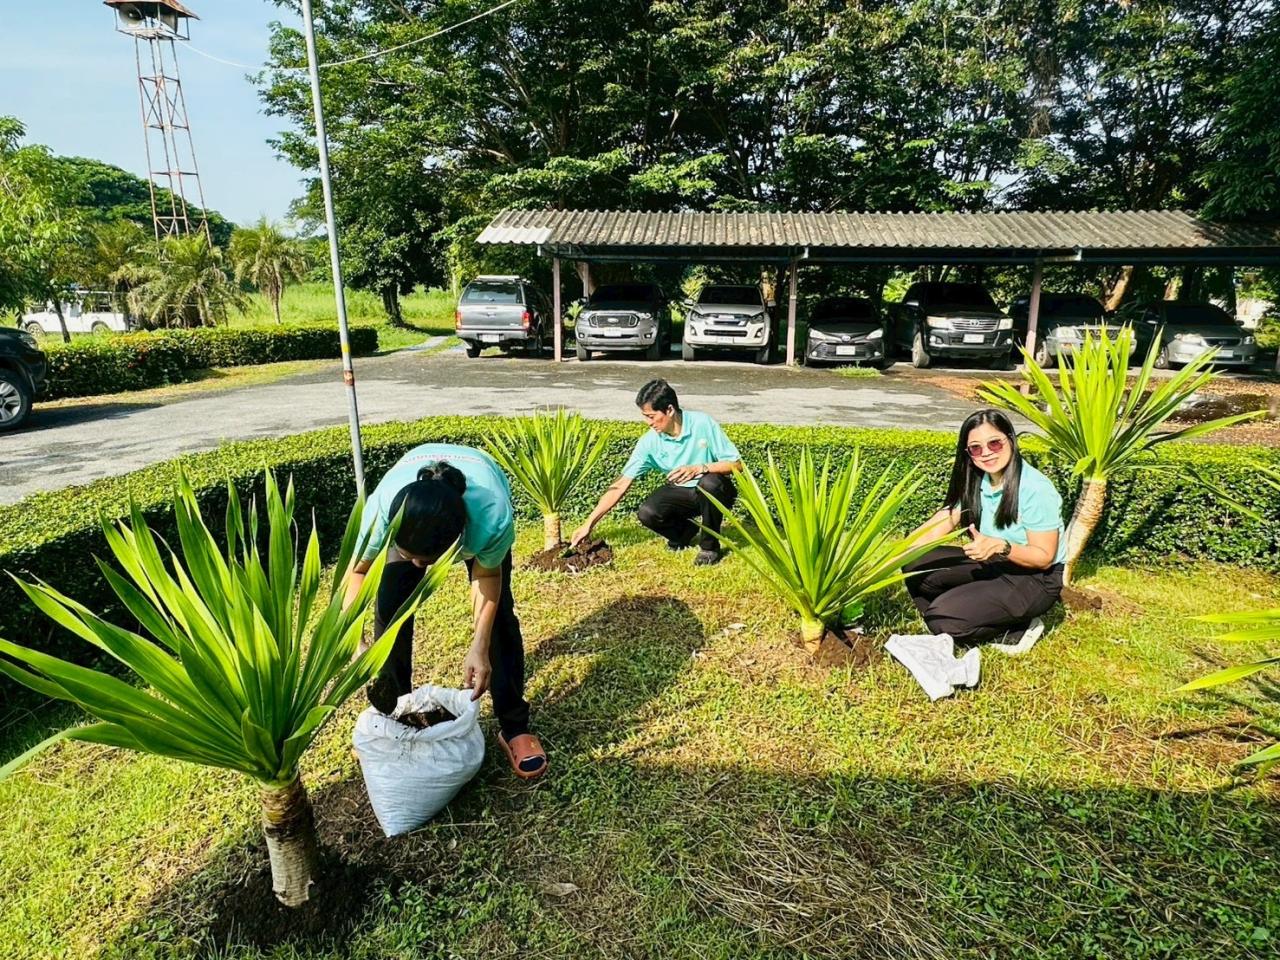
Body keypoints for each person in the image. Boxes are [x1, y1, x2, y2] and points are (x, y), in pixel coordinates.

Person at [344, 443, 546, 779]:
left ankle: (514, 727)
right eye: (409, 555)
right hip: (413, 502)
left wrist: (479, 646)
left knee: (499, 621)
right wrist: (357, 644)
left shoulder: (491, 516)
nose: (417, 567)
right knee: (391, 604)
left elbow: (487, 575)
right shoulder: (383, 512)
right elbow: (357, 572)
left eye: (425, 562)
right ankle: (394, 719)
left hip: (475, 496)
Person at [902, 409, 1065, 652]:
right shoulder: (979, 478)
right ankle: (968, 611)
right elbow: (946, 520)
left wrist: (1002, 546)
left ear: (1010, 439)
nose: (986, 453)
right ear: (968, 453)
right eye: (976, 448)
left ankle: (1017, 629)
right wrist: (896, 555)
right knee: (914, 563)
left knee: (941, 619)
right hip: (992, 561)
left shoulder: (1035, 488)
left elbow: (1043, 557)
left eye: (995, 443)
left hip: (1035, 577)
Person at [570, 379, 743, 565]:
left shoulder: (702, 423)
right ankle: (685, 533)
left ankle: (709, 548)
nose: (648, 422)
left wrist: (700, 468)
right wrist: (588, 524)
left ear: (669, 410)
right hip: (682, 491)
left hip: (713, 489)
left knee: (710, 483)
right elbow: (620, 485)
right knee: (648, 513)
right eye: (645, 416)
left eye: (651, 416)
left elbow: (737, 464)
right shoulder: (649, 442)